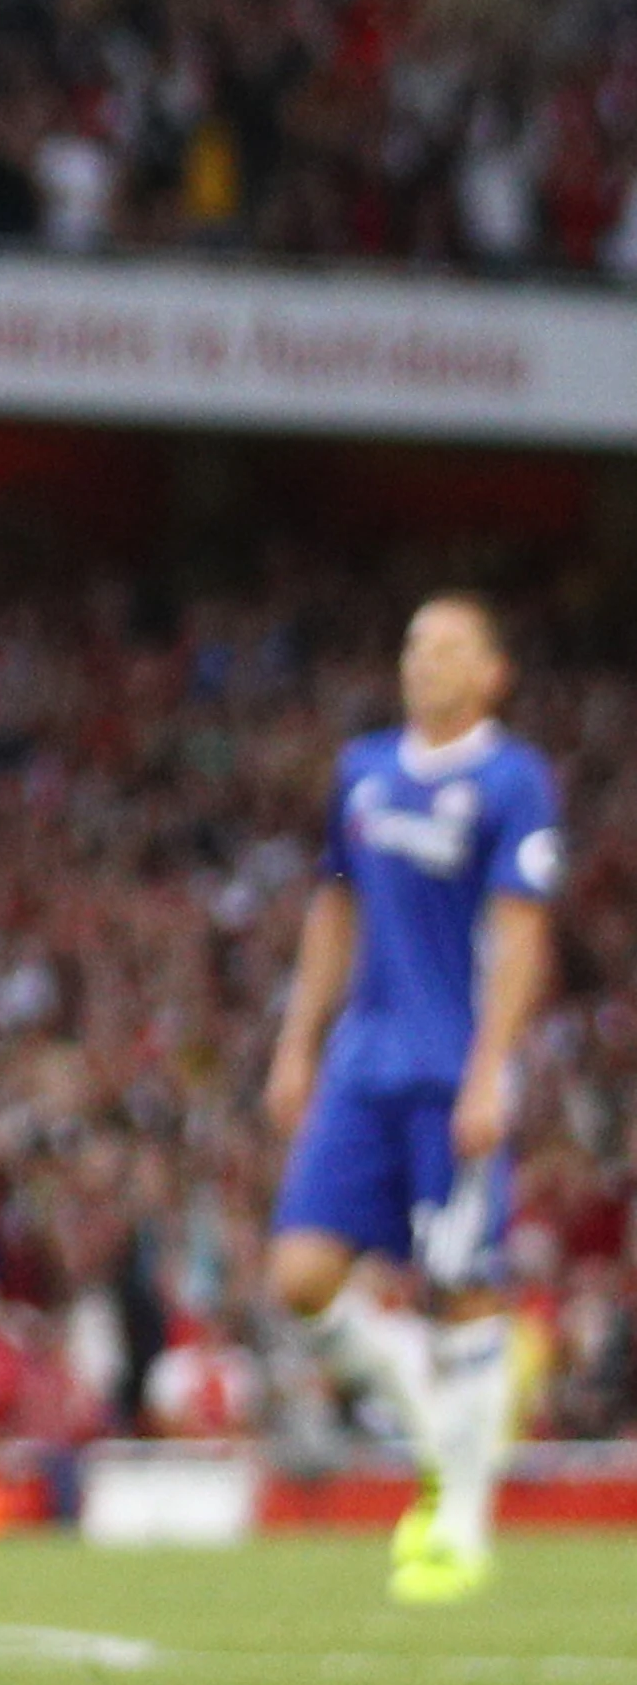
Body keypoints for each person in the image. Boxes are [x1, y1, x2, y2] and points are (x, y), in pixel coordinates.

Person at [262, 593, 559, 1605]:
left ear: (492, 674)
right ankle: (439, 1425)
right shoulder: (364, 770)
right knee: (300, 1273)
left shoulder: (514, 782)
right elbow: (333, 908)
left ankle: (463, 1525)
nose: (423, 661)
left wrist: (490, 1069)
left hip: (450, 1069)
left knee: (460, 1287)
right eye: (412, 643)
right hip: (363, 1064)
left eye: (447, 647)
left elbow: (520, 934)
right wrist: (298, 1043)